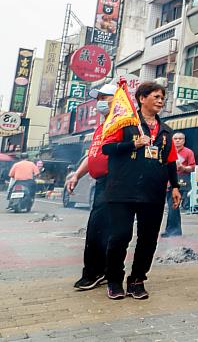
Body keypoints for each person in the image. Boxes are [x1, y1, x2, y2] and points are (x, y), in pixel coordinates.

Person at [102, 81, 181, 300]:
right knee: (119, 237)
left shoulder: (166, 131)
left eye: (162, 97)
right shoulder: (125, 123)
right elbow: (106, 147)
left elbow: (170, 161)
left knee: (148, 238)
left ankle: (137, 279)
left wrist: (174, 186)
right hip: (122, 191)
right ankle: (114, 280)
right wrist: (132, 145)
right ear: (141, 98)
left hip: (153, 193)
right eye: (155, 96)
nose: (160, 100)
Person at [68, 83, 117, 290]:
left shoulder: (121, 125)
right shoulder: (101, 128)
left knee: (98, 228)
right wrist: (77, 175)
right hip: (101, 183)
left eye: (105, 98)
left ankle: (94, 272)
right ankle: (103, 270)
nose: (100, 103)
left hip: (114, 183)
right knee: (100, 227)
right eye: (98, 98)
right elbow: (92, 155)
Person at [173, 132, 195, 210]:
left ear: (184, 140)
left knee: (183, 205)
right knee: (172, 205)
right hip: (170, 180)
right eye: (175, 139)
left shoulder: (189, 152)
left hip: (183, 179)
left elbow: (192, 167)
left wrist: (184, 168)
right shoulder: (168, 151)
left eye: (180, 139)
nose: (177, 140)